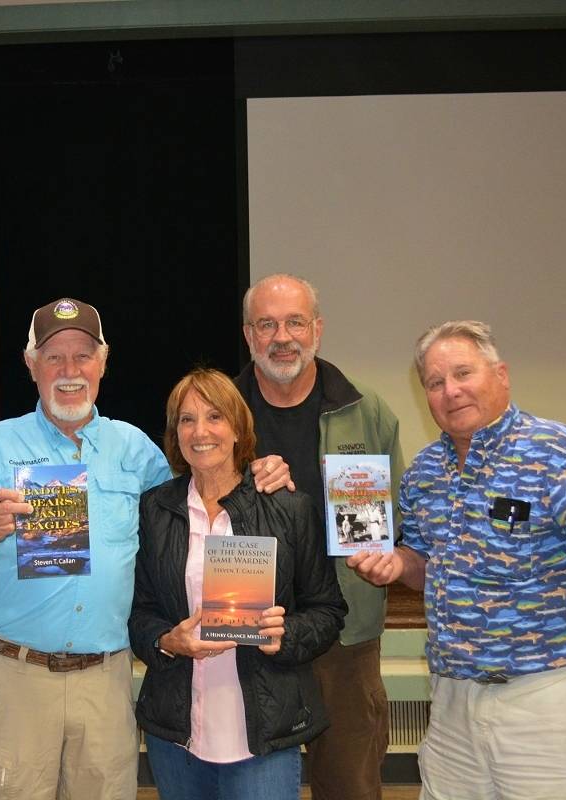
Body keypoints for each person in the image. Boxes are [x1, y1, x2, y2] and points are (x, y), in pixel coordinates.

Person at [0, 298, 293, 800]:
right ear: (31, 365)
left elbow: (201, 503)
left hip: (106, 680)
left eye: (83, 356)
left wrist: (260, 468)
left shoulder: (137, 451)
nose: (69, 371)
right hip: (18, 678)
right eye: (54, 357)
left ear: (103, 363)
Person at [348, 320, 566, 799]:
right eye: (435, 382)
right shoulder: (424, 473)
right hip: (453, 702)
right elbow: (431, 566)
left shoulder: (560, 452)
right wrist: (399, 563)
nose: (450, 391)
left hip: (550, 699)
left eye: (463, 373)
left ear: (502, 375)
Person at [129, 368, 346, 800]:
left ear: (237, 428)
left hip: (262, 734)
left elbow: (328, 610)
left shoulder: (288, 508)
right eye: (186, 420)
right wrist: (168, 641)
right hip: (176, 734)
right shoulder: (155, 509)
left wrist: (285, 635)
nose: (200, 431)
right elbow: (139, 613)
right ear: (175, 433)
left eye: (214, 417)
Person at [234, 273, 402, 800]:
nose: (282, 337)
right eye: (267, 324)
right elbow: (188, 511)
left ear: (318, 329)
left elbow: (397, 515)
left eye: (295, 322)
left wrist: (388, 554)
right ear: (248, 335)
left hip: (344, 635)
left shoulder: (365, 409)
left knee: (350, 784)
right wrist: (244, 485)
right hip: (248, 627)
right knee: (252, 784)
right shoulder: (219, 411)